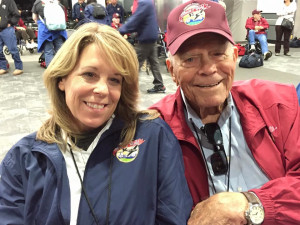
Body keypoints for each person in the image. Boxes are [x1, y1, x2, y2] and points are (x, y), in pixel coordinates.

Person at [0, 22, 192, 224]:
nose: (102, 90)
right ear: (62, 78)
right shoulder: (25, 159)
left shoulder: (153, 137)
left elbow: (174, 216)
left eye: (114, 80)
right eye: (89, 75)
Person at [150, 1, 300, 224]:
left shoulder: (277, 103)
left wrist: (249, 204)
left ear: (234, 58)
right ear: (172, 71)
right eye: (191, 59)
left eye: (218, 54)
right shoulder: (155, 129)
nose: (209, 69)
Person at [119, 0, 166, 94]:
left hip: (146, 38)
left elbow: (136, 19)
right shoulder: (149, 2)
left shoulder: (144, 2)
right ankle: (159, 85)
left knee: (134, 62)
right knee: (154, 63)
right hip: (151, 36)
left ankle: (128, 88)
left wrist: (121, 30)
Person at [32, 0, 68, 68]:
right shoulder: (57, 2)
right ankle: (61, 69)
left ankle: (50, 71)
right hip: (58, 30)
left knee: (48, 52)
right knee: (59, 51)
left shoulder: (38, 2)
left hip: (46, 31)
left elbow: (34, 17)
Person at [0, 0, 23, 76]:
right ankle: (3, 67)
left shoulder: (9, 1)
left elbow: (16, 14)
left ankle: (19, 67)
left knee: (12, 49)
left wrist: (10, 23)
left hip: (7, 29)